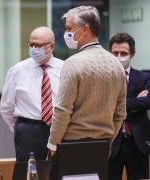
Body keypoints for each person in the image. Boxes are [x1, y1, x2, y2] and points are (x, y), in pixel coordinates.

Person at [47, 6, 127, 156]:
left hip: (72, 146)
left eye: (69, 28)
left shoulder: (73, 63)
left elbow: (62, 110)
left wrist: (53, 144)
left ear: (85, 29)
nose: (66, 34)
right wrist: (108, 141)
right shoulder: (117, 65)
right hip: (102, 147)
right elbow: (120, 114)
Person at [0, 27, 63, 162]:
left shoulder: (65, 68)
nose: (34, 48)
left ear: (51, 46)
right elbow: (6, 107)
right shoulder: (17, 70)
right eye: (31, 44)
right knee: (28, 172)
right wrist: (19, 127)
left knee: (58, 171)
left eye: (38, 45)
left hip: (58, 129)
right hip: (29, 130)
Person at [109, 33, 150, 180]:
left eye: (124, 53)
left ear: (132, 54)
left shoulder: (144, 77)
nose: (119, 56)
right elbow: (103, 105)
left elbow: (147, 102)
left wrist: (116, 103)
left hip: (137, 143)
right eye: (115, 53)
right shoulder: (102, 79)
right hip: (111, 143)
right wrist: (135, 102)